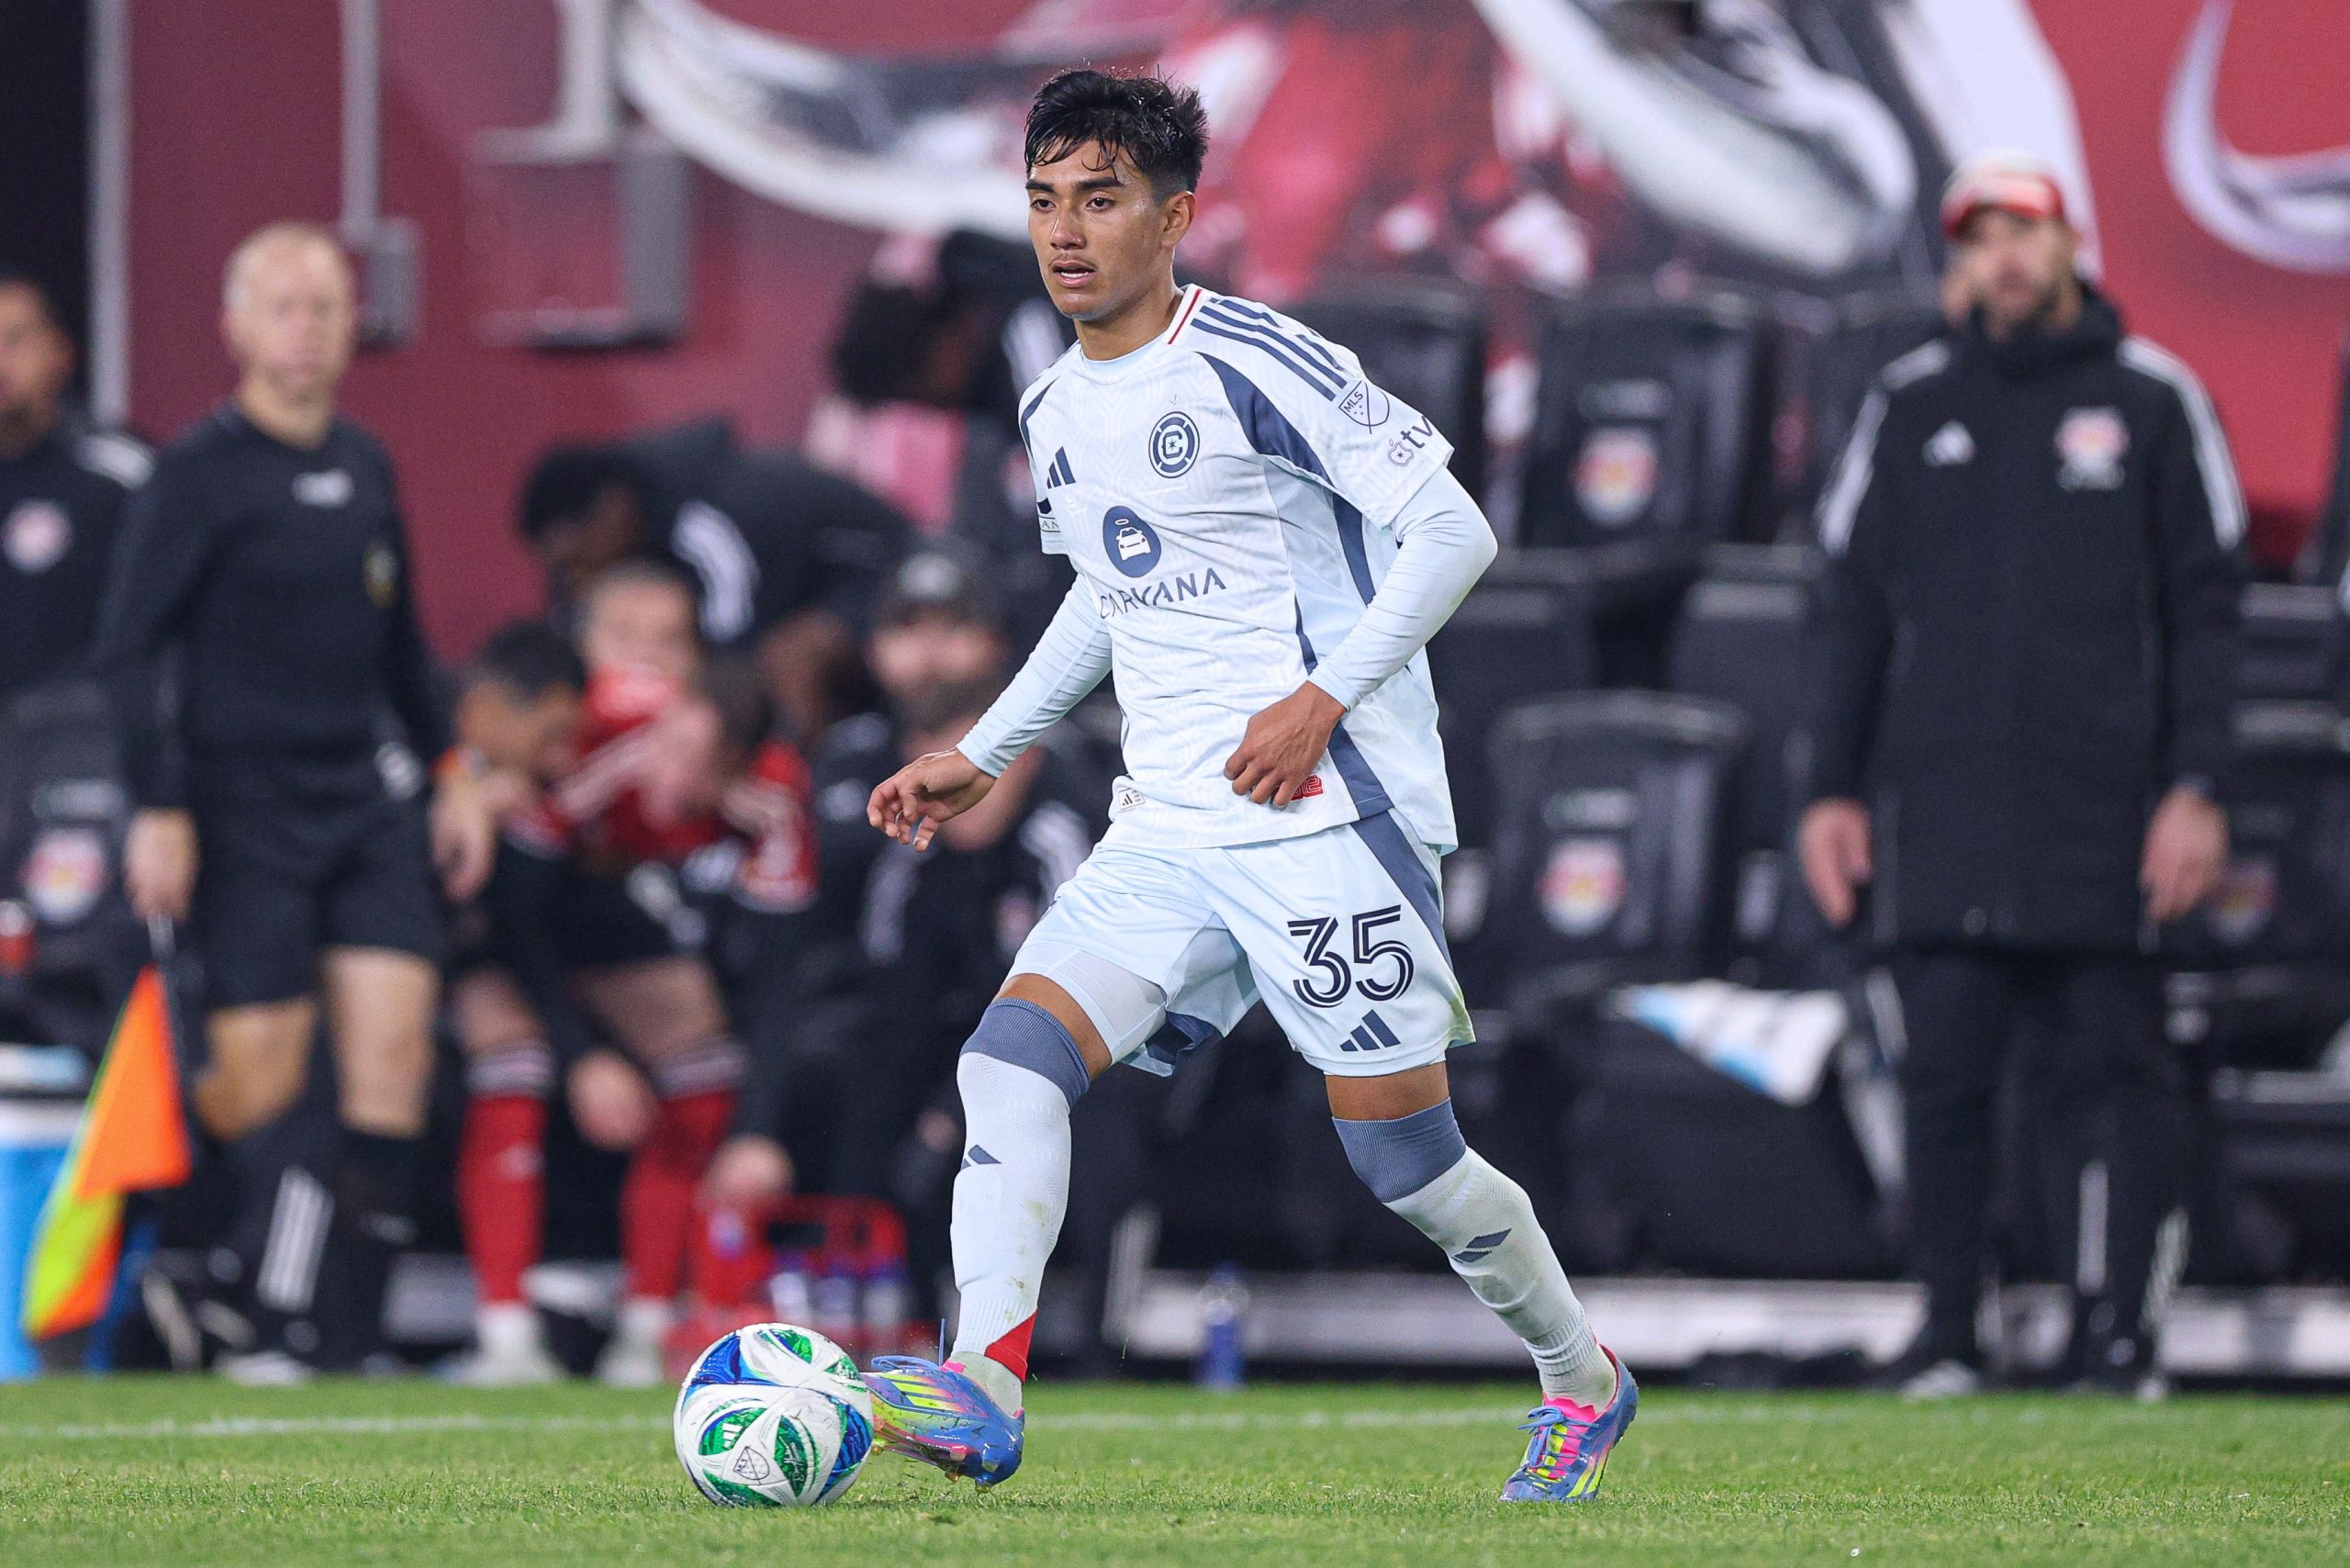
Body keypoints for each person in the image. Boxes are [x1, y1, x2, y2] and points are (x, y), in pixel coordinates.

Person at [853, 71, 1632, 1502]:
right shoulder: (1053, 402)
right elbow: (1108, 588)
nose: (1066, 232)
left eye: (1101, 199)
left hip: (1326, 819)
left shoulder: (1259, 361)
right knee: (1008, 1063)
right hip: (1165, 824)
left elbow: (1453, 532)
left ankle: (1582, 1380)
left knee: (1407, 1164)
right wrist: (989, 749)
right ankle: (985, 1386)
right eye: (1043, 200)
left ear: (1178, 216)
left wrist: (1322, 702)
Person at [1798, 150, 2244, 1400]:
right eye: (1979, 234)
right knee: (1942, 1079)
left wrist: (2197, 787)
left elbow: (2211, 614)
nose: (2002, 255)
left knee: (2118, 1081)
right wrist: (1829, 789)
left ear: (2071, 247)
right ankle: (1950, 1334)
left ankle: (2121, 1341)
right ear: (1957, 260)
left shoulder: (2154, 401)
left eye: (2025, 231)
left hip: (2107, 812)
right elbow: (1848, 614)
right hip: (1942, 807)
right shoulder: (1907, 404)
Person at [97, 222, 495, 1380]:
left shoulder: (367, 466)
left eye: (325, 304)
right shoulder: (194, 476)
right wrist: (156, 804)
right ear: (233, 329)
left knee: (392, 1067)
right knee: (260, 1078)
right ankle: (191, 1260)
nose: (306, 326)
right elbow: (127, 655)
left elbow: (403, 650)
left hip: (361, 806)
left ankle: (335, 1341)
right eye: (282, 304)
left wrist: (452, 771)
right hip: (238, 808)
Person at [449, 572, 817, 1385]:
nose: (677, 782)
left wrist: (760, 1130)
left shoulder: (776, 792)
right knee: (516, 1059)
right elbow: (516, 912)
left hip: (605, 913)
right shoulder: (593, 736)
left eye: (666, 643)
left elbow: (781, 978)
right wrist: (583, 1054)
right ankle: (504, 1337)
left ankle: (646, 1333)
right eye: (624, 637)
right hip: (501, 915)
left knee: (705, 1071)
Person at [515, 419, 910, 739]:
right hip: (793, 600)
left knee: (787, 659)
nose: (573, 579)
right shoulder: (618, 545)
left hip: (884, 579)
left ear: (613, 515)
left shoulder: (711, 520)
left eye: (577, 561)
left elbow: (733, 644)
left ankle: (801, 784)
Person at [0, 268, 148, 700]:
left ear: (60, 353)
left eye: (15, 340)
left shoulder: (122, 473)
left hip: (83, 734)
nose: (1, 360)